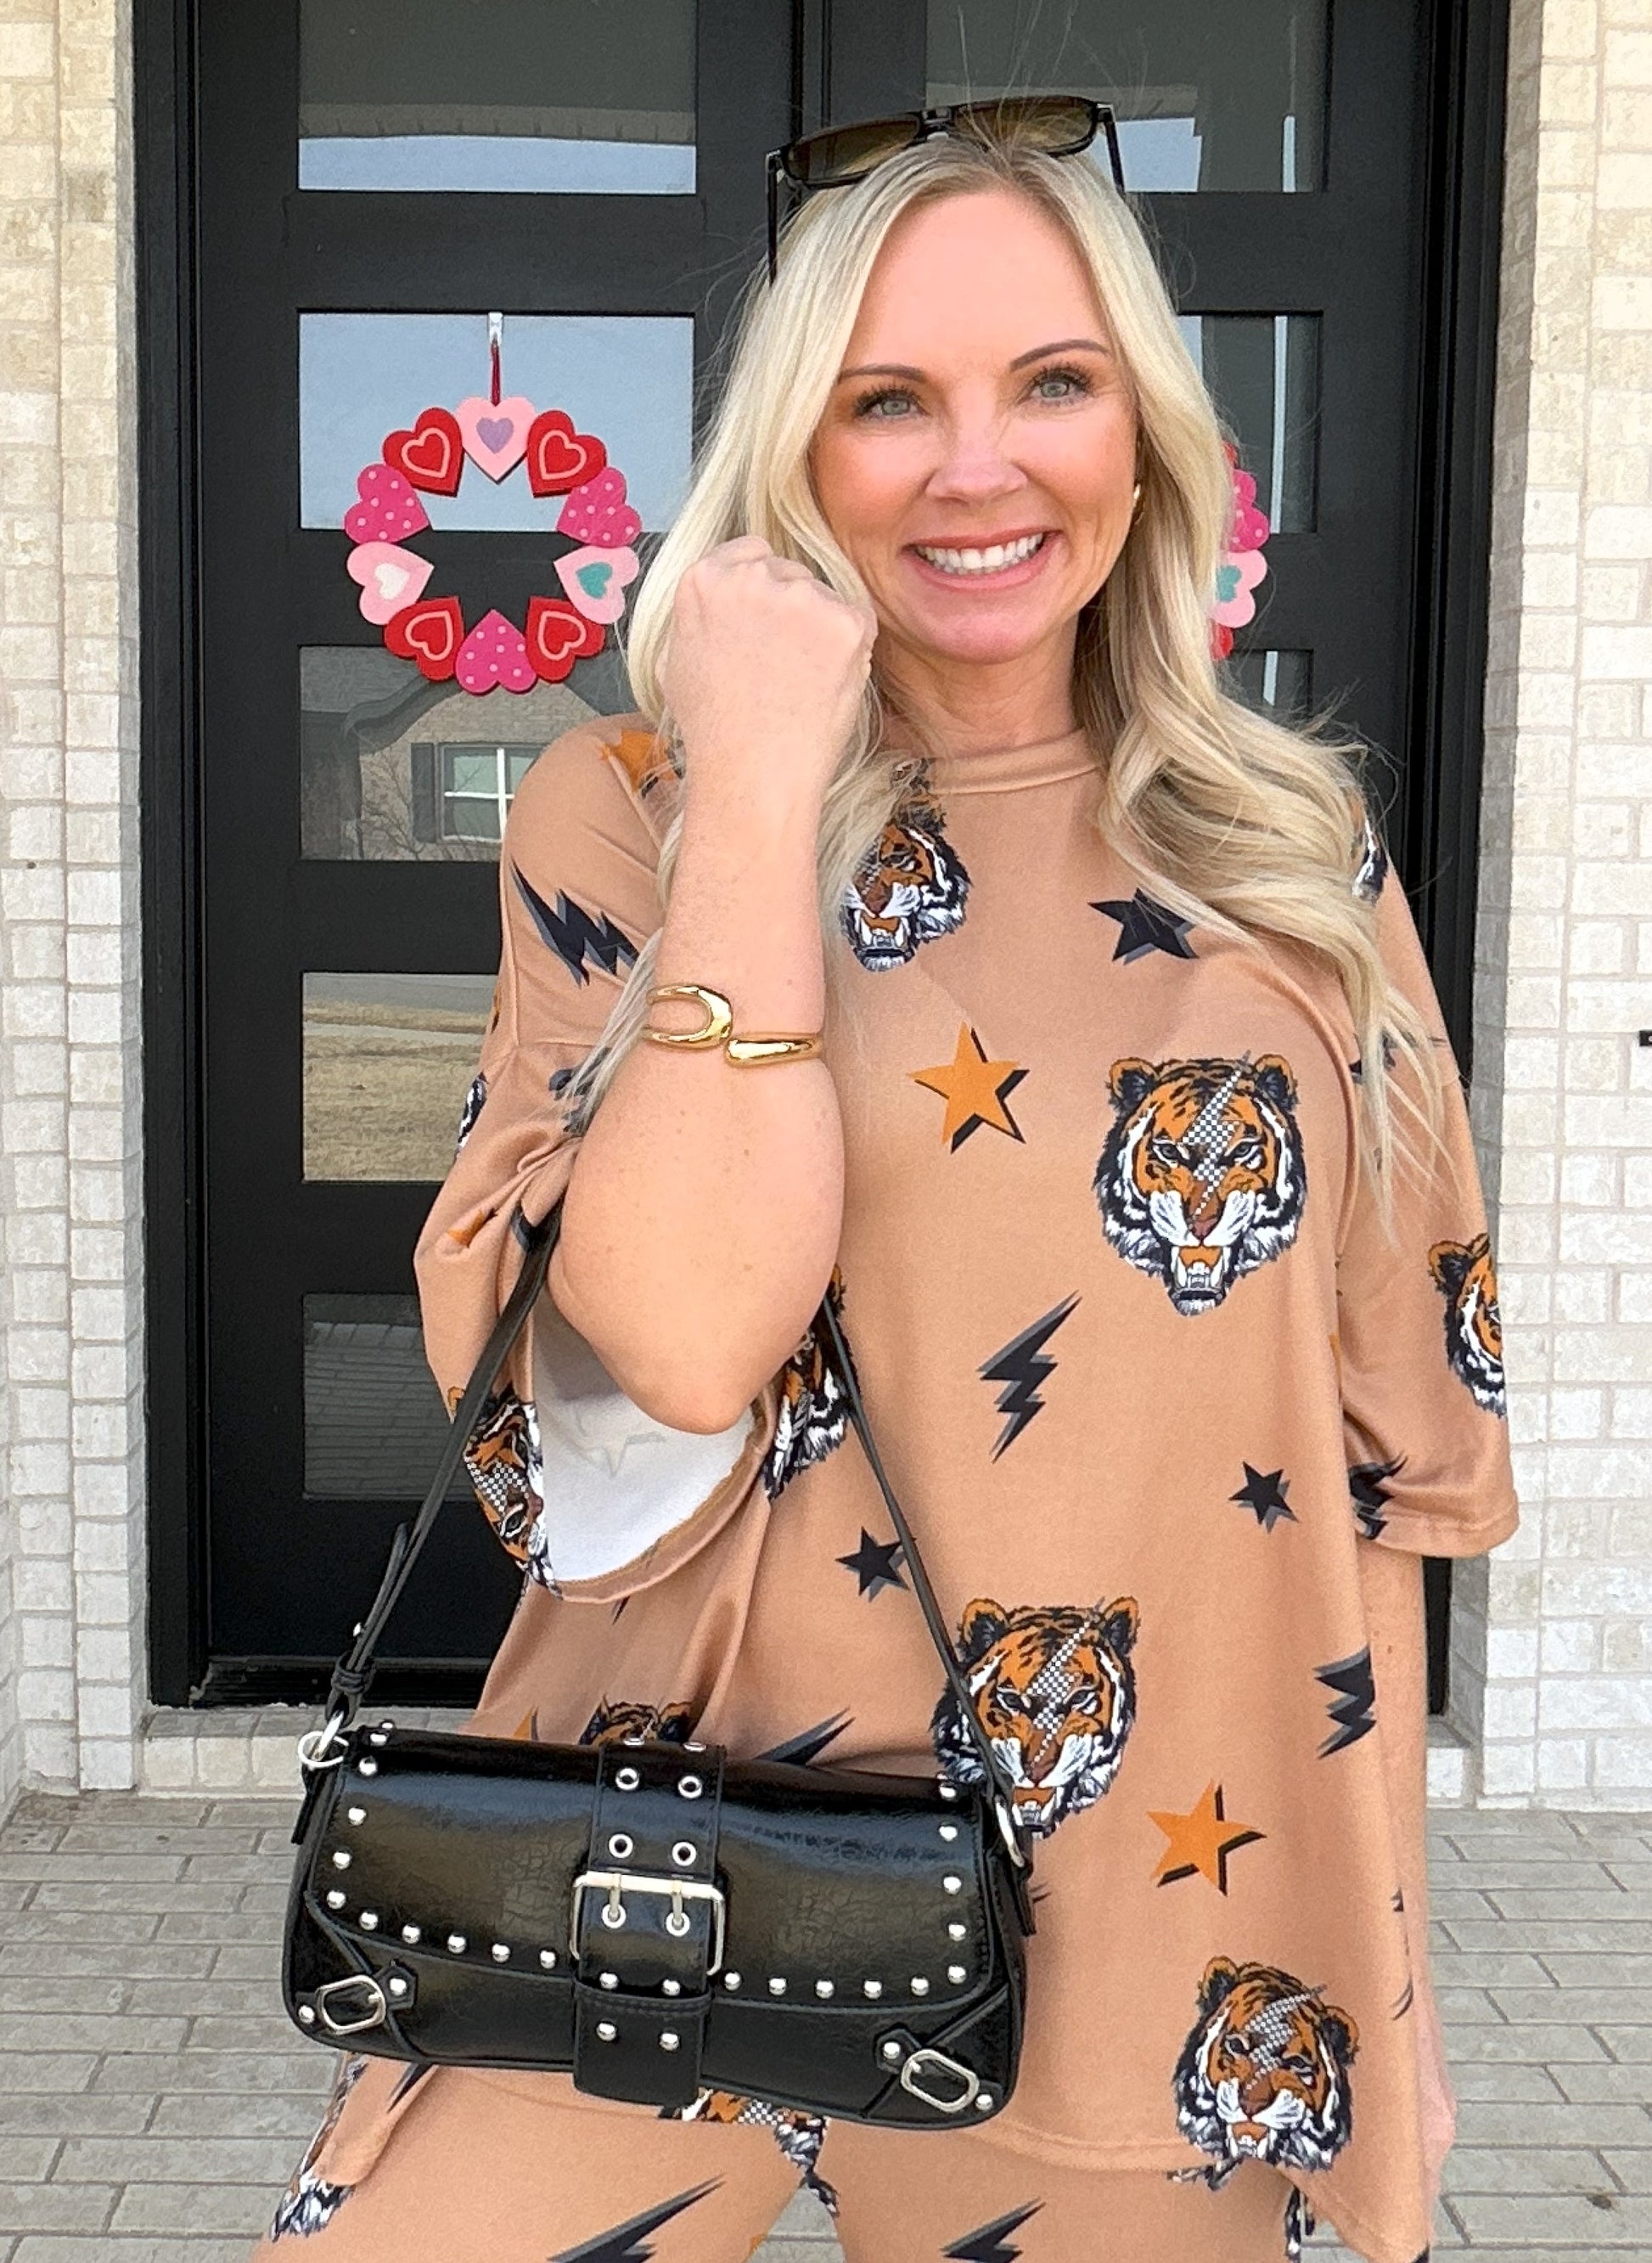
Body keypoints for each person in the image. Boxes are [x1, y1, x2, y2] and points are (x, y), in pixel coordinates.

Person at [255, 110, 1517, 2263]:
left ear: (1143, 432)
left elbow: (1399, 1469)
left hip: (1165, 1920)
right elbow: (680, 1340)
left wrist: (1382, 1977)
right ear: (797, 457)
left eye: (1052, 381)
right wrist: (759, 784)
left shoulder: (1298, 864)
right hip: (652, 1852)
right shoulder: (622, 811)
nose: (976, 467)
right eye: (887, 401)